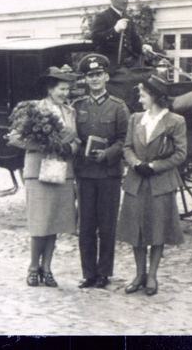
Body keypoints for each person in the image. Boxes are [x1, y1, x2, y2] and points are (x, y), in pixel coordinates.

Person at [8, 67, 80, 287]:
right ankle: (32, 267)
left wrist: (70, 149)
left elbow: (77, 140)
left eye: (68, 89)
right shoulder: (35, 109)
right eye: (61, 89)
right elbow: (15, 138)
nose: (65, 93)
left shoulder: (70, 112)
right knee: (40, 222)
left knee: (54, 223)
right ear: (50, 88)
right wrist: (43, 144)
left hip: (62, 173)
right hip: (38, 173)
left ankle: (47, 268)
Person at [117, 75, 187, 296]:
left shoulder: (175, 121)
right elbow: (127, 147)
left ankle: (152, 276)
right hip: (136, 181)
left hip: (160, 184)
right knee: (136, 230)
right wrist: (136, 163)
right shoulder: (136, 119)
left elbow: (181, 154)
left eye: (143, 95)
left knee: (157, 229)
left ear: (155, 97)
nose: (140, 99)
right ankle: (139, 274)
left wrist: (155, 166)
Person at [73, 54, 130, 289]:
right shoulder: (77, 107)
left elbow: (124, 139)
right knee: (86, 225)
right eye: (90, 75)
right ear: (85, 80)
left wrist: (108, 153)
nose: (95, 79)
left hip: (109, 174)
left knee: (107, 225)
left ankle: (104, 272)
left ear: (106, 76)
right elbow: (73, 135)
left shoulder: (118, 107)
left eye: (98, 74)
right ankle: (88, 273)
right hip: (85, 174)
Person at [91, 0, 153, 75]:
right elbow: (96, 39)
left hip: (129, 65)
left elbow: (134, 39)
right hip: (110, 68)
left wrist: (142, 47)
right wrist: (114, 30)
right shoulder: (102, 17)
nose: (125, 1)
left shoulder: (128, 18)